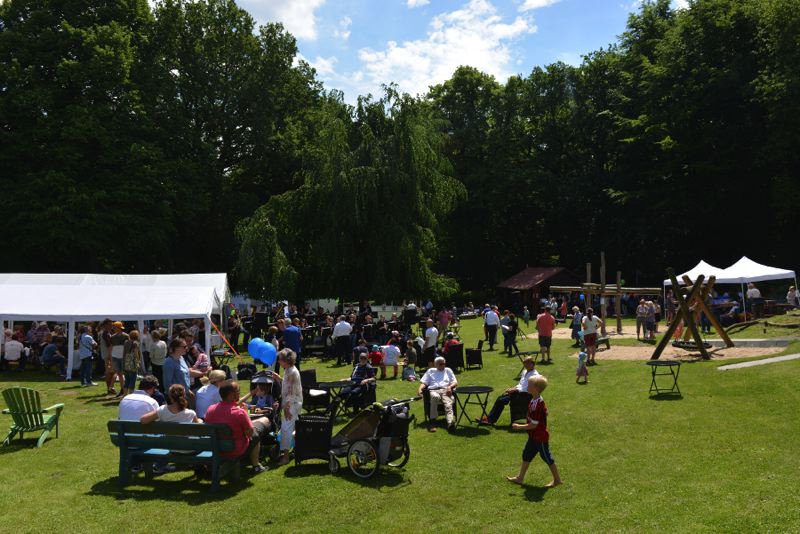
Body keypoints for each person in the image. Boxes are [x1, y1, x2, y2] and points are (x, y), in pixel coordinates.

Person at [506, 375, 562, 488]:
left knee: (547, 457)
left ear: (535, 388)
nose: (527, 385)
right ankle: (520, 478)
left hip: (540, 437)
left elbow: (533, 425)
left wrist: (519, 426)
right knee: (527, 455)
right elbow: (544, 412)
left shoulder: (537, 403)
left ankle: (557, 480)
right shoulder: (535, 399)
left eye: (529, 384)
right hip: (533, 437)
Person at [204, 380, 269, 473]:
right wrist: (246, 414)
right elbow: (250, 433)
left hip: (217, 447)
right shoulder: (239, 413)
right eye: (238, 391)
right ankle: (256, 465)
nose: (240, 393)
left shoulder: (210, 409)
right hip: (235, 449)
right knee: (256, 433)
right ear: (231, 394)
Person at [476, 356, 539, 425]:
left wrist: (514, 390)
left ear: (533, 364)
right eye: (524, 363)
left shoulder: (534, 375)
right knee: (500, 398)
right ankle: (490, 419)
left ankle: (490, 419)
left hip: (524, 396)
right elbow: (521, 384)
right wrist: (512, 388)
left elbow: (527, 388)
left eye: (527, 363)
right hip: (518, 393)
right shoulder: (524, 372)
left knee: (501, 400)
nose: (525, 365)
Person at [270, 349, 302, 466]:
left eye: (280, 359)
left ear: (285, 360)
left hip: (292, 404)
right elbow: (288, 385)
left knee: (286, 429)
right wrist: (279, 378)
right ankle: (295, 450)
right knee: (291, 427)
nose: (278, 361)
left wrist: (287, 408)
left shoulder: (292, 372)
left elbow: (291, 392)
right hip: (292, 403)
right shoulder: (289, 370)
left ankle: (286, 457)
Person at [418, 356, 457, 433]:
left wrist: (450, 387)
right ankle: (433, 421)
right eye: (441, 364)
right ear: (435, 364)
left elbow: (455, 382)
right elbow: (424, 383)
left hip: (445, 390)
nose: (443, 365)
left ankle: (450, 423)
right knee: (435, 397)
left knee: (448, 403)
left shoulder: (448, 370)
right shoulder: (431, 371)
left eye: (444, 363)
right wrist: (419, 390)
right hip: (433, 390)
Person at [109, 321, 129, 398]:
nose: (113, 328)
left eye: (114, 327)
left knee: (124, 374)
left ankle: (124, 390)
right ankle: (123, 390)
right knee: (120, 374)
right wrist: (110, 357)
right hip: (115, 356)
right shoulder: (112, 337)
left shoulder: (126, 336)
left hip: (123, 357)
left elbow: (128, 346)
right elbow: (111, 347)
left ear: (118, 328)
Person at [122, 330, 142, 396]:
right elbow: (136, 353)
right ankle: (131, 395)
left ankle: (125, 395)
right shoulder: (135, 343)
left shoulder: (126, 342)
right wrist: (138, 361)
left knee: (127, 379)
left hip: (125, 362)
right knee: (132, 379)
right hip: (132, 363)